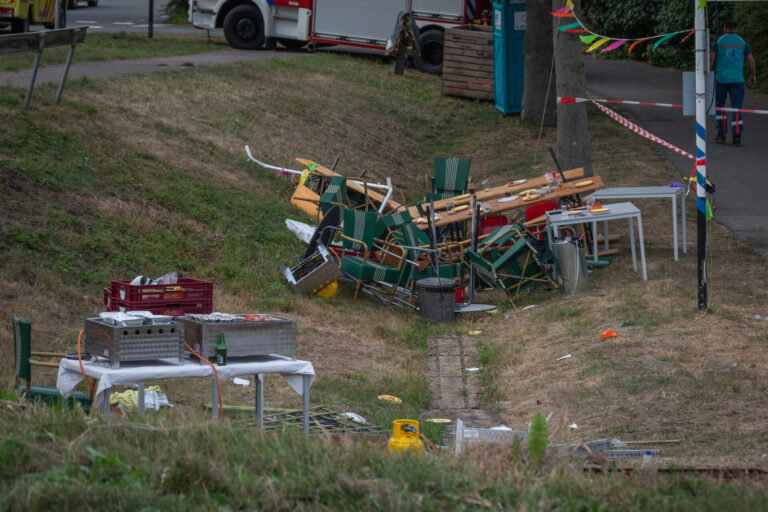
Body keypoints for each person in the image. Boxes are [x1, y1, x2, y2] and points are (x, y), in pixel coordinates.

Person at [710, 20, 757, 146]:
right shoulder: (743, 41)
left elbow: (712, 57)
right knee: (737, 107)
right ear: (736, 28)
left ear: (725, 28)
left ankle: (721, 135)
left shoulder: (719, 41)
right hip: (737, 80)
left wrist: (707, 71)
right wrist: (753, 75)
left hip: (721, 79)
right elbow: (751, 59)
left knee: (719, 106)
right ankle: (737, 137)